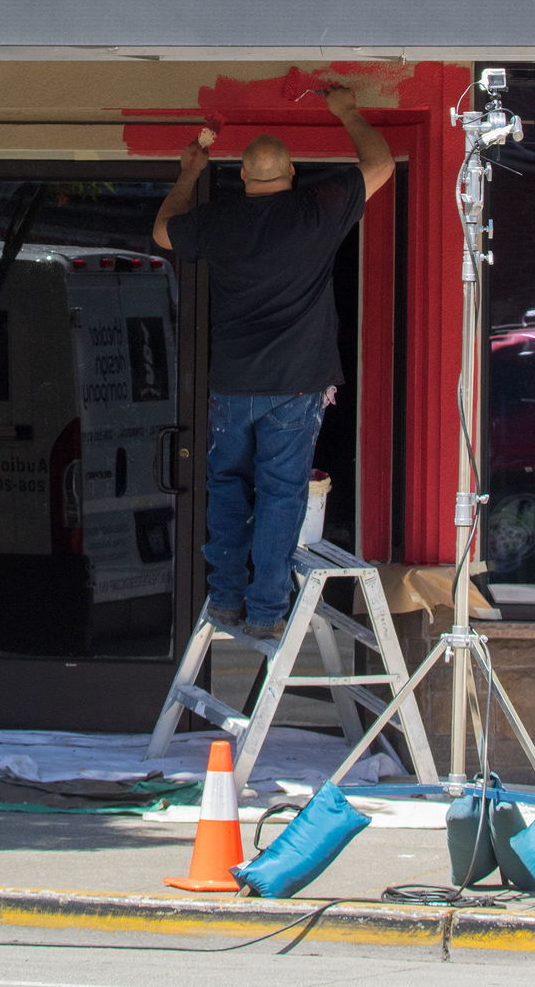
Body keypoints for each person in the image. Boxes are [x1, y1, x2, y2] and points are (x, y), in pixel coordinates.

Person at [152, 86, 394, 639]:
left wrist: (189, 173)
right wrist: (345, 111)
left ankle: (227, 598)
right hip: (296, 384)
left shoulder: (222, 220)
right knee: (281, 492)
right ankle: (266, 610)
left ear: (243, 176)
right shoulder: (318, 209)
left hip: (235, 384)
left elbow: (164, 231)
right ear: (290, 171)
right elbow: (379, 163)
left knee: (228, 487)